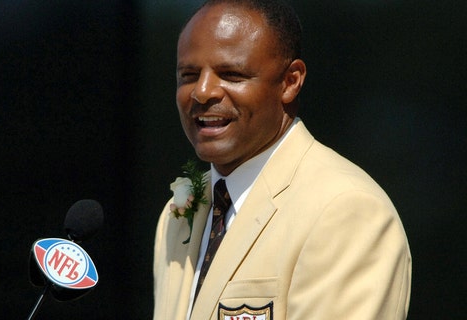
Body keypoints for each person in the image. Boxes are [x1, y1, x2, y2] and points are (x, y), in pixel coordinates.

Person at [152, 0, 412, 319]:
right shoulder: (178, 214)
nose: (202, 92)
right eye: (189, 75)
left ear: (290, 81)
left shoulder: (346, 209)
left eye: (231, 74)